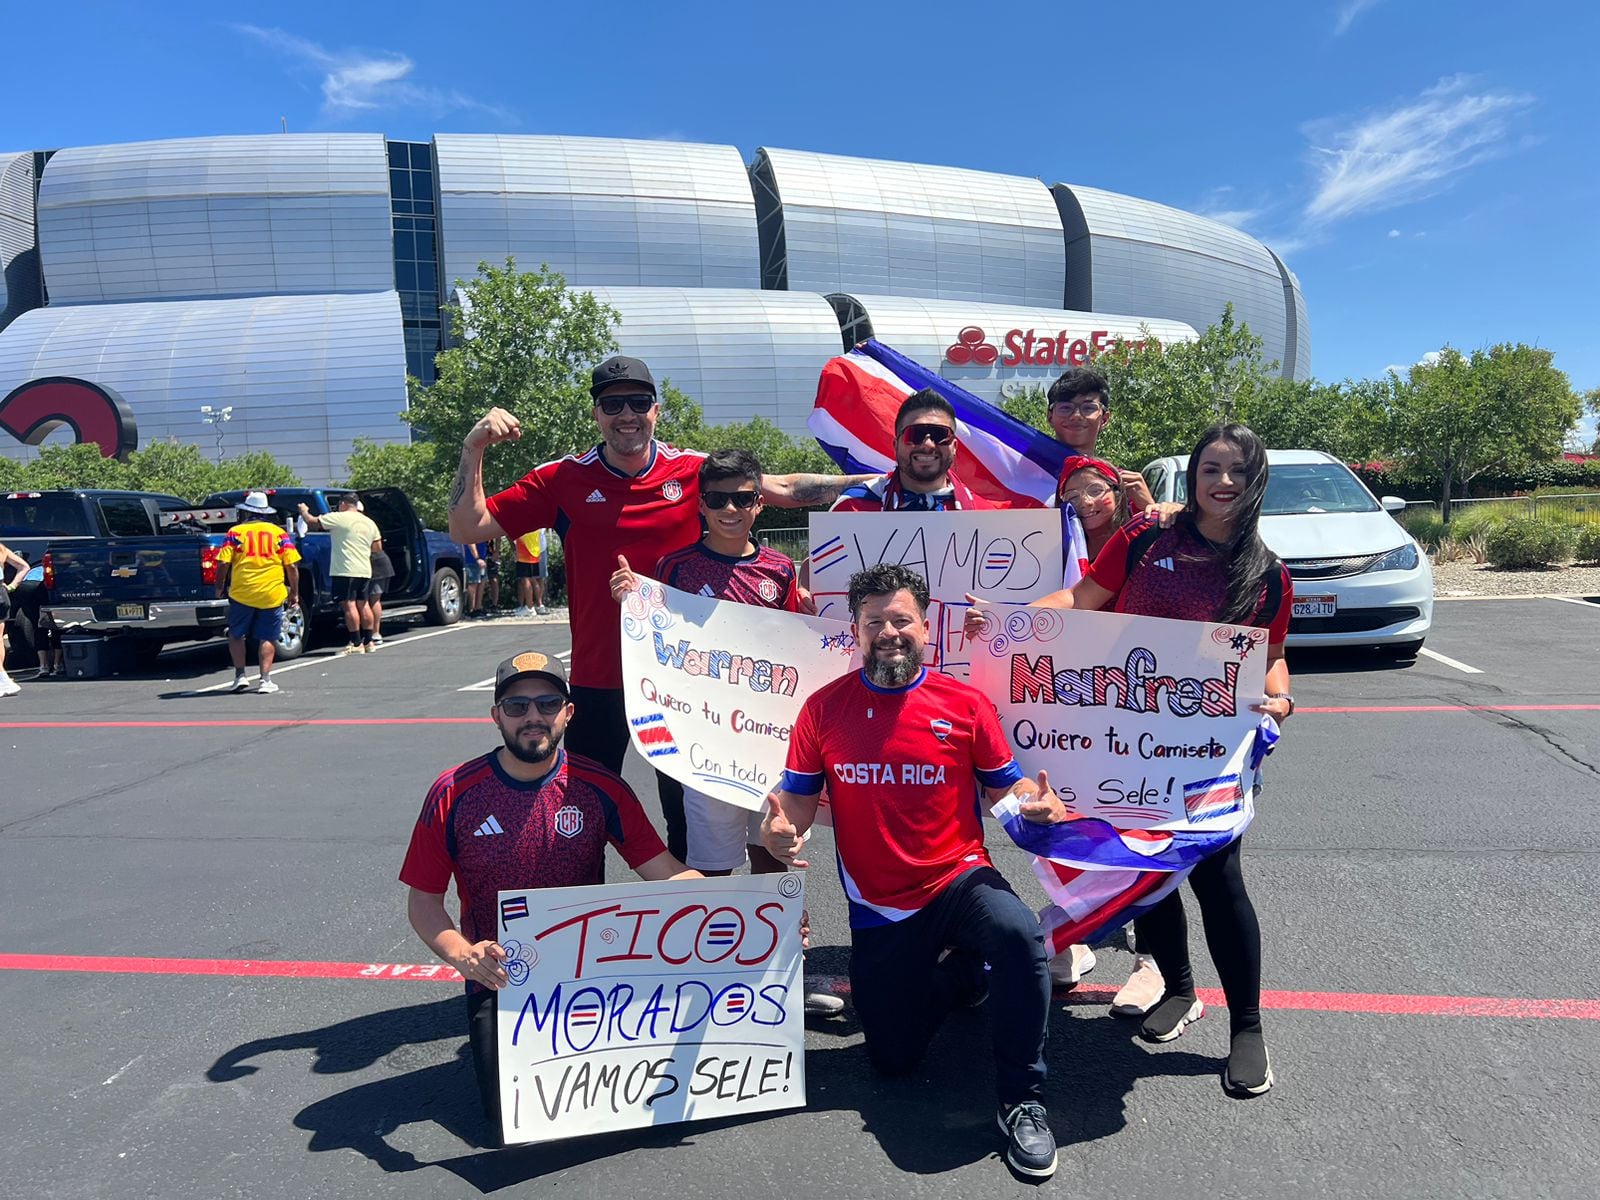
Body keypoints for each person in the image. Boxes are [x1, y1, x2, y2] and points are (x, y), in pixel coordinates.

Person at [446, 353, 869, 864]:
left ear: (656, 409)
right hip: (602, 678)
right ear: (596, 413)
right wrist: (473, 448)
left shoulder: (693, 471)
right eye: (612, 404)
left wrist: (871, 482)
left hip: (685, 682)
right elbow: (467, 528)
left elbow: (781, 487)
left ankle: (693, 907)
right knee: (582, 810)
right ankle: (581, 904)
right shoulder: (563, 479)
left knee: (686, 817)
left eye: (638, 402)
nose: (627, 414)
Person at [984, 423, 1294, 1098]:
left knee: (1220, 881)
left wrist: (1281, 698)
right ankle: (1179, 989)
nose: (1224, 482)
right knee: (1144, 868)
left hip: (1207, 754)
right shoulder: (1147, 537)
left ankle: (1247, 1027)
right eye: (1211, 468)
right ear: (1194, 473)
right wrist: (1013, 623)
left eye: (1238, 471)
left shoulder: (1268, 573)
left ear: (1256, 480)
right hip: (1126, 739)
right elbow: (1080, 600)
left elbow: (1272, 658)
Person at [762, 562, 1071, 1179]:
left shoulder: (965, 703)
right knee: (892, 1060)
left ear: (925, 628)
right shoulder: (823, 709)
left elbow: (1006, 791)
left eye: (901, 619)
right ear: (855, 629)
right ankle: (964, 976)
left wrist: (1041, 806)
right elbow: (795, 802)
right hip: (880, 904)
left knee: (1018, 934)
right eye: (874, 621)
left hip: (958, 876)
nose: (889, 632)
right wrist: (777, 832)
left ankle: (1022, 1099)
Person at [399, 650, 700, 1142]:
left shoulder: (600, 787)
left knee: (627, 1102)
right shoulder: (454, 793)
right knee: (514, 1118)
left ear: (568, 712)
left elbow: (666, 874)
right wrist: (464, 955)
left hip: (589, 974)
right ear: (496, 715)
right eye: (517, 707)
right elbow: (424, 902)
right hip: (502, 979)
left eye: (547, 703)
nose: (533, 716)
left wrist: (760, 912)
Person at [1051, 454, 1164, 1013]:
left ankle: (1153, 962)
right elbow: (1065, 602)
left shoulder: (1147, 536)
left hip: (1147, 699)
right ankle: (1074, 933)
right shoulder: (1050, 545)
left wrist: (1154, 509)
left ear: (1117, 490)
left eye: (1095, 489)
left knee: (1149, 829)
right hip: (1076, 700)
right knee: (1072, 819)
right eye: (1071, 495)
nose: (1085, 502)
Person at [831, 389, 996, 512]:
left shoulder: (984, 516)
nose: (928, 445)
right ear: (896, 445)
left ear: (954, 447)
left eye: (940, 435)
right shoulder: (852, 508)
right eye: (915, 434)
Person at [215, 492, 301, 694]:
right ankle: (265, 680)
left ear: (247, 511)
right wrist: (294, 592)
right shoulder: (279, 533)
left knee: (236, 634)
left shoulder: (235, 532)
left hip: (242, 592)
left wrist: (219, 586)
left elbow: (223, 563)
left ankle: (240, 676)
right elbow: (291, 566)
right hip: (272, 592)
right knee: (268, 636)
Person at [1043, 367, 1154, 515]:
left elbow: (1153, 528)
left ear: (1104, 419)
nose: (1076, 416)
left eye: (1088, 408)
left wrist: (1150, 508)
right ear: (1050, 417)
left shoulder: (1121, 484)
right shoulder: (1023, 475)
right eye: (1065, 408)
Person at [299, 494, 379, 654]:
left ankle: (356, 642)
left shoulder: (339, 517)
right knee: (363, 604)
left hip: (345, 569)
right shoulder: (369, 522)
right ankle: (369, 641)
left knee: (349, 605)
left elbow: (312, 522)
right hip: (364, 569)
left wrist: (304, 511)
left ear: (343, 504)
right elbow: (377, 547)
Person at [0, 540, 30, 696]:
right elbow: (24, 566)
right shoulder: (2, 549)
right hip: (2, 594)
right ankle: (2, 678)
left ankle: (3, 679)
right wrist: (11, 586)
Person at [367, 538, 395, 648]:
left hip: (376, 565)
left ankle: (375, 633)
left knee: (373, 600)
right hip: (373, 564)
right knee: (370, 600)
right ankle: (371, 633)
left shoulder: (370, 529)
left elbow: (377, 547)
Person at [513, 529, 548, 617]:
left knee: (525, 578)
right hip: (534, 549)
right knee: (533, 579)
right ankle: (538, 605)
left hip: (525, 548)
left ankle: (529, 607)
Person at [463, 540, 489, 620]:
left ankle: (478, 607)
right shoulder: (471, 532)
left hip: (482, 559)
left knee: (481, 582)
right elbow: (470, 542)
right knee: (473, 584)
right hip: (472, 560)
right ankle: (471, 609)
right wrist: (477, 558)